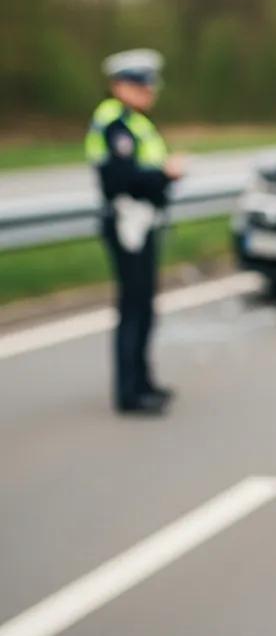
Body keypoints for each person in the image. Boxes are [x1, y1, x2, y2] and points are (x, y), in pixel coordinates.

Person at [85, 49, 183, 414]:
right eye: (142, 84)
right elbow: (121, 178)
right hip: (127, 222)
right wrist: (165, 174)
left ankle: (143, 382)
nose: (149, 92)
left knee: (144, 306)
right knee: (134, 306)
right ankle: (130, 393)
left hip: (142, 221)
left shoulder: (136, 122)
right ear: (121, 85)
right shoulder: (115, 123)